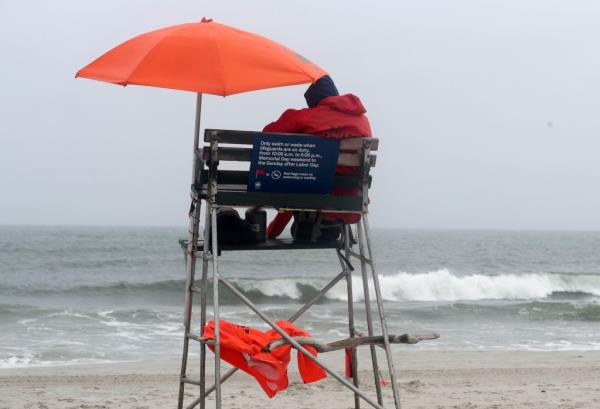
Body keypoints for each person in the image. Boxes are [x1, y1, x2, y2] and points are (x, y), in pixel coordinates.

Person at [263, 75, 372, 239]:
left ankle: (272, 231)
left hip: (311, 195)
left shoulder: (304, 117)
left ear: (314, 103)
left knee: (297, 176)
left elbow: (266, 135)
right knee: (304, 178)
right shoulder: (363, 121)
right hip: (351, 199)